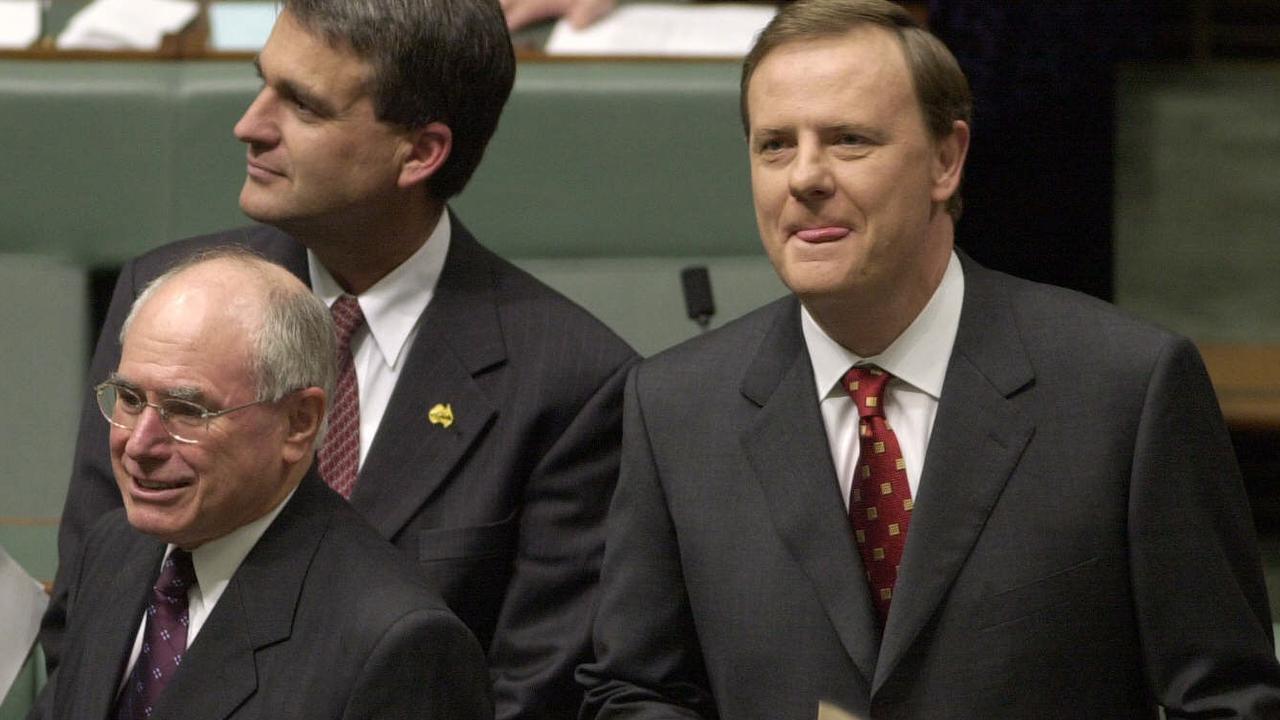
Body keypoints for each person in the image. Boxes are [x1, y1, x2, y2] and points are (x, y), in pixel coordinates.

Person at [578, 1, 1280, 717]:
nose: (805, 177)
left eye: (849, 140)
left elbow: (1226, 700)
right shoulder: (675, 410)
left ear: (946, 160)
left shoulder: (1124, 391)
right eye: (775, 146)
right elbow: (636, 688)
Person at [43, 2, 638, 719]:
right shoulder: (170, 301)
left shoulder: (570, 382)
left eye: (302, 104)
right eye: (263, 83)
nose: (250, 124)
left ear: (420, 152)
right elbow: (89, 616)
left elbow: (531, 695)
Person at [31, 249, 492, 720]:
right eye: (129, 398)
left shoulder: (394, 643)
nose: (140, 443)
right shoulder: (113, 548)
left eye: (188, 410)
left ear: (298, 423)